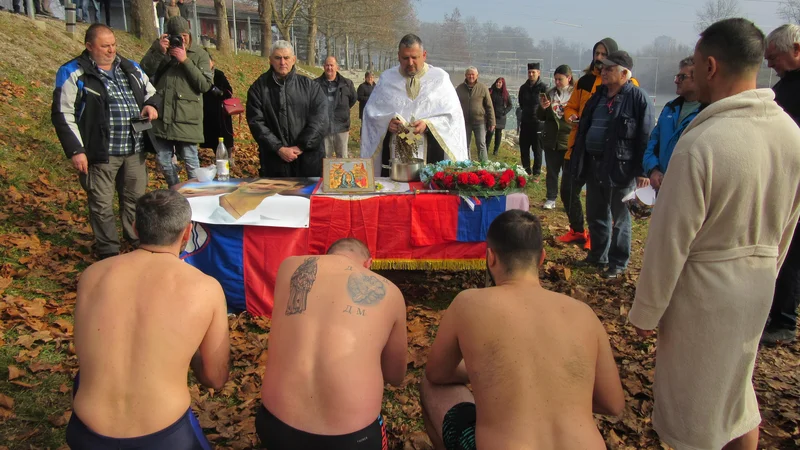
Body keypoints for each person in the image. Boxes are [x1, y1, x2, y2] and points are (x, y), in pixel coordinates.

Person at [629, 18, 800, 450]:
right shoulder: (791, 133)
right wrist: (768, 271)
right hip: (758, 284)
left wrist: (646, 312)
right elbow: (789, 226)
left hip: (704, 294)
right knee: (736, 394)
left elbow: (670, 241)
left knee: (697, 408)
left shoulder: (702, 141)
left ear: (710, 66)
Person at [420, 209, 624, 450]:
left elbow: (438, 373)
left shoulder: (468, 303)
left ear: (490, 258)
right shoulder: (584, 313)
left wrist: (485, 371)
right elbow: (613, 404)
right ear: (541, 258)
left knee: (428, 383)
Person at [67, 189, 230, 449]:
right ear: (187, 233)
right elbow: (215, 378)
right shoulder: (205, 288)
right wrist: (187, 349)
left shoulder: (92, 275)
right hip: (164, 436)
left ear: (135, 228)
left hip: (85, 432)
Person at [257, 238, 407, 449]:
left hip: (275, 427)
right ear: (368, 264)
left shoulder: (289, 266)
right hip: (351, 439)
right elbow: (395, 375)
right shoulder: (391, 292)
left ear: (326, 255)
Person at [52, 24, 160, 260]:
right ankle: (109, 252)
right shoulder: (73, 72)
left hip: (134, 149)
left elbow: (152, 92)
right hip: (100, 152)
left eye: (113, 45)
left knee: (135, 200)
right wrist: (76, 150)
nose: (111, 50)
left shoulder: (130, 67)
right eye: (105, 46)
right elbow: (62, 113)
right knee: (101, 204)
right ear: (89, 46)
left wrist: (151, 105)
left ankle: (136, 242)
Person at [570, 50, 653, 279]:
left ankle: (618, 262)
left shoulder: (637, 98)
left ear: (624, 73)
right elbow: (585, 128)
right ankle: (598, 256)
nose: (603, 72)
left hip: (621, 169)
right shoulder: (598, 96)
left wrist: (642, 170)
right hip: (595, 164)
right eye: (603, 68)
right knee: (596, 213)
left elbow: (645, 136)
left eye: (609, 69)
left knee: (620, 218)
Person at [361, 34, 468, 176]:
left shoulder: (440, 79)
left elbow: (453, 116)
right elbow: (370, 114)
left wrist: (428, 124)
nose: (410, 63)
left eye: (414, 57)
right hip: (394, 155)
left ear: (424, 55)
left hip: (431, 153)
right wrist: (386, 122)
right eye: (405, 58)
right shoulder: (387, 79)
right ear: (398, 56)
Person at [557, 38, 625, 250]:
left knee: (599, 201)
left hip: (604, 152)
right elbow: (571, 107)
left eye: (603, 54)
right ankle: (577, 230)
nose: (598, 58)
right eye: (596, 53)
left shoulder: (621, 84)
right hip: (578, 147)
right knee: (567, 189)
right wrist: (571, 117)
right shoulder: (584, 82)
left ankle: (599, 241)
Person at [141, 16, 212, 188]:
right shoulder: (161, 50)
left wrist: (185, 60)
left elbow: (204, 85)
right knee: (164, 161)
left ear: (189, 34)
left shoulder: (200, 54)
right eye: (176, 36)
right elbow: (143, 72)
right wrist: (159, 51)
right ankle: (176, 191)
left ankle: (195, 196)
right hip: (163, 117)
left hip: (187, 118)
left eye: (184, 35)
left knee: (191, 161)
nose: (181, 39)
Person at [762, 24, 800, 346]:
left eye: (773, 57)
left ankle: (785, 321)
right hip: (782, 178)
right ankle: (774, 312)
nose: (769, 64)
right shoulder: (786, 83)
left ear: (796, 49)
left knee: (791, 252)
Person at [247, 41, 328, 177]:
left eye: (286, 58)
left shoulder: (310, 87)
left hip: (308, 162)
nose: (282, 62)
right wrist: (278, 148)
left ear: (294, 60)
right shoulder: (258, 88)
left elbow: (320, 120)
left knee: (307, 198)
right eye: (278, 58)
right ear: (270, 60)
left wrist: (301, 146)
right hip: (275, 162)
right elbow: (256, 122)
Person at [642, 57, 701, 190]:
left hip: (688, 191)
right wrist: (653, 170)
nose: (676, 81)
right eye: (677, 76)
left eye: (682, 77)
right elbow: (653, 143)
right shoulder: (670, 108)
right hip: (662, 190)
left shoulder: (706, 112)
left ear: (698, 78)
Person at [537, 64, 575, 210]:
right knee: (552, 172)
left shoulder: (575, 95)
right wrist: (542, 107)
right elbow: (540, 117)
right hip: (551, 139)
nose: (557, 82)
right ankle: (551, 198)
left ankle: (569, 201)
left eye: (560, 79)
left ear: (569, 78)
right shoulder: (550, 93)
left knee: (568, 174)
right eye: (555, 79)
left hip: (568, 140)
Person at [315, 56, 357, 158]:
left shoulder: (347, 83)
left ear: (337, 67)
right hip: (324, 129)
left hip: (341, 127)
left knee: (342, 158)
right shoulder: (315, 84)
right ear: (324, 67)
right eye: (327, 65)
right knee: (324, 159)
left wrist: (343, 111)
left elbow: (353, 99)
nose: (329, 68)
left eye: (332, 65)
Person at [455, 67, 495, 162]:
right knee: (465, 144)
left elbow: (489, 105)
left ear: (477, 76)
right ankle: (466, 164)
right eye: (469, 74)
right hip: (464, 122)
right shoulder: (459, 89)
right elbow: (454, 105)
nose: (471, 76)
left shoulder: (483, 87)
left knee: (481, 143)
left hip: (480, 121)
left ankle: (484, 165)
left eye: (473, 74)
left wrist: (492, 121)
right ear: (465, 75)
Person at [517, 62, 547, 176]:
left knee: (537, 150)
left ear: (538, 73)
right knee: (524, 149)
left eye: (533, 72)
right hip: (525, 122)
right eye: (529, 72)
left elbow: (546, 105)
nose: (531, 74)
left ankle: (536, 173)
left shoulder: (543, 87)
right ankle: (526, 171)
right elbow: (521, 103)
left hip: (538, 123)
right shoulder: (523, 88)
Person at [201, 54, 234, 153]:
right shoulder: (200, 75)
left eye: (208, 62)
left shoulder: (219, 74)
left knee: (224, 135)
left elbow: (229, 91)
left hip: (220, 110)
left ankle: (228, 155)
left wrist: (216, 90)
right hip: (206, 110)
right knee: (211, 135)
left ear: (212, 62)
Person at [486, 77, 512, 156]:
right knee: (490, 132)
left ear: (503, 84)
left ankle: (496, 150)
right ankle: (486, 148)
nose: (498, 84)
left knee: (498, 134)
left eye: (500, 83)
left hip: (500, 117)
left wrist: (504, 112)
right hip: (491, 115)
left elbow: (510, 105)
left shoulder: (505, 94)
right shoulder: (490, 91)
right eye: (497, 82)